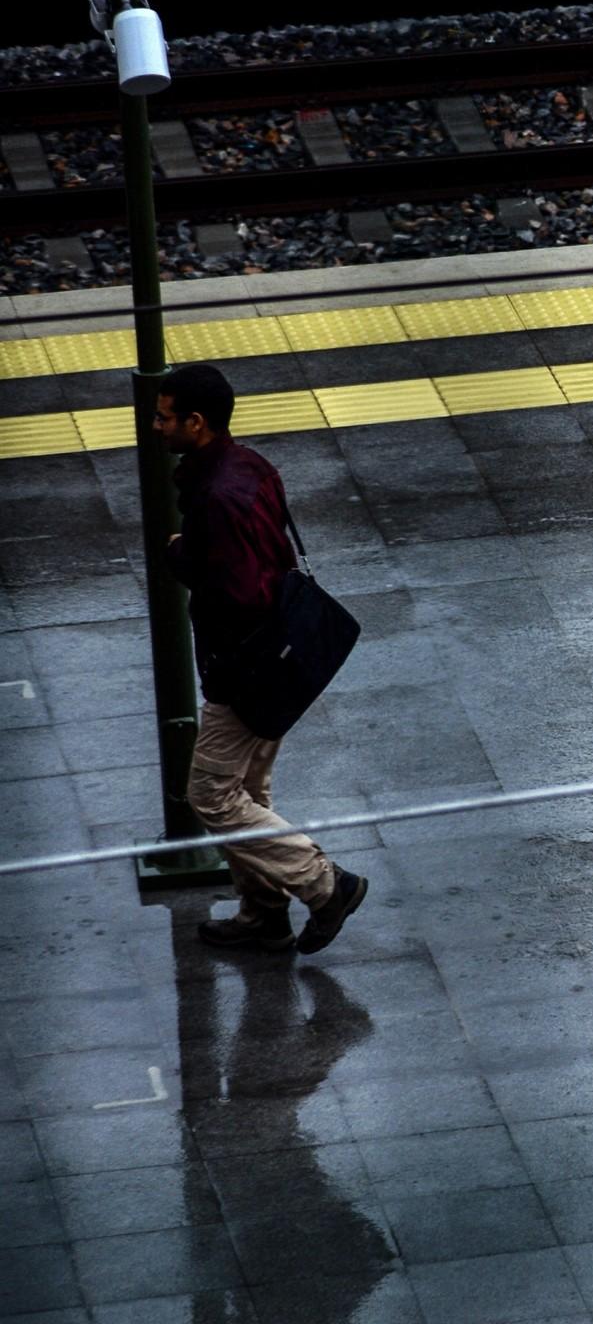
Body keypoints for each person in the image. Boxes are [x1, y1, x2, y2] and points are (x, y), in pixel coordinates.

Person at [151, 363, 370, 954]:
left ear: (195, 423)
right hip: (282, 654)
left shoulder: (216, 496)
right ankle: (263, 912)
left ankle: (326, 886)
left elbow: (237, 591)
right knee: (248, 791)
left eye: (164, 416)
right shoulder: (248, 466)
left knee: (212, 796)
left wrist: (181, 556)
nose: (156, 425)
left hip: (246, 671)